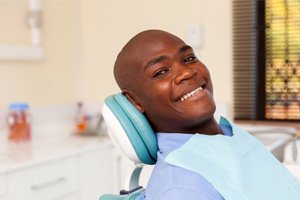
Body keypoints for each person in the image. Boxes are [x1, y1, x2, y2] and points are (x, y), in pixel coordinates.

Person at [113, 30, 300, 200]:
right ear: (135, 101)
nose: (186, 72)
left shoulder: (230, 135)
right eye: (161, 72)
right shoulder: (180, 188)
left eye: (188, 58)